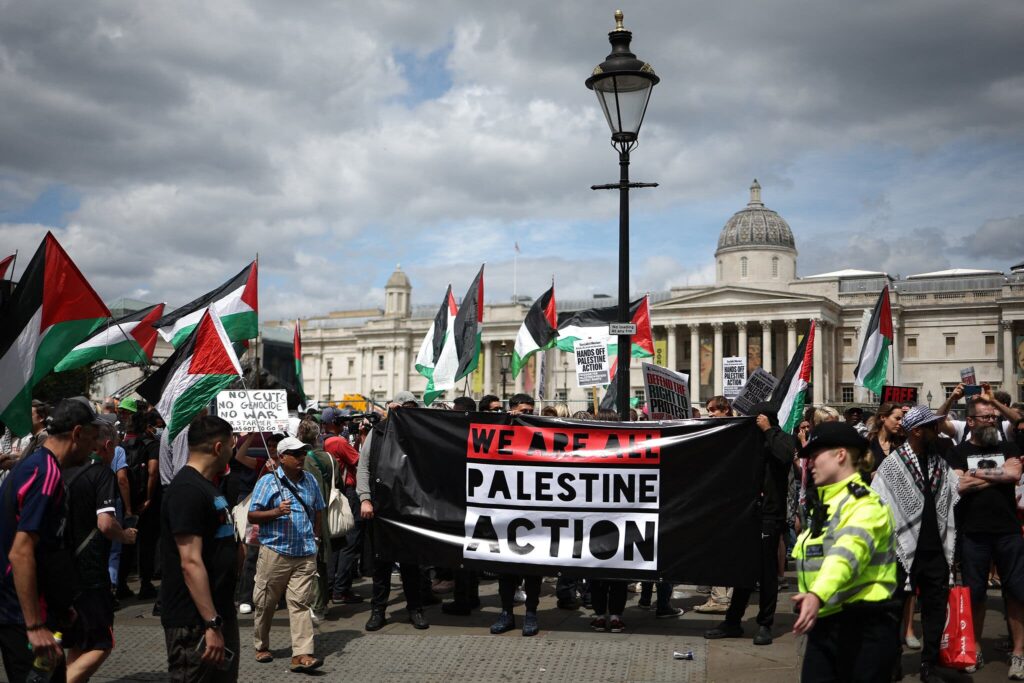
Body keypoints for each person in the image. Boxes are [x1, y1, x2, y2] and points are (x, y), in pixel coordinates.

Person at [0, 398, 101, 681]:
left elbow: (48, 549)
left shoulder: (37, 467)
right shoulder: (45, 474)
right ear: (77, 433)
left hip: (34, 611)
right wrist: (34, 625)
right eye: (92, 438)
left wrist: (60, 604)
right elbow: (20, 553)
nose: (94, 447)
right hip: (22, 617)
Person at [791, 422, 900, 681]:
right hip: (826, 622)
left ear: (840, 455)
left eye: (816, 455)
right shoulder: (826, 502)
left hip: (864, 627)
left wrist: (817, 594)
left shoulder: (865, 504)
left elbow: (847, 554)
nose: (810, 463)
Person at [871, 405, 958, 682]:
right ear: (917, 430)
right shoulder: (893, 464)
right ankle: (892, 662)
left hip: (936, 551)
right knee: (894, 609)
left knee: (934, 609)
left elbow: (953, 490)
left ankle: (929, 664)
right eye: (932, 426)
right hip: (902, 551)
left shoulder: (939, 462)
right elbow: (880, 503)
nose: (937, 430)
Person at [705, 402, 795, 646]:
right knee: (742, 569)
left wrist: (769, 431)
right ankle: (733, 620)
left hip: (770, 515)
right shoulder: (749, 441)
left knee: (767, 574)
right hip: (746, 514)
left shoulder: (781, 438)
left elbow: (785, 456)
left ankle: (765, 623)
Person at [160, 415, 240, 682]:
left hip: (219, 613)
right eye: (232, 445)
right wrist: (211, 623)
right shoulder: (187, 490)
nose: (234, 450)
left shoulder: (209, 488)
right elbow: (190, 561)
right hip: (194, 622)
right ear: (218, 448)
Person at [949, 396, 1024, 677]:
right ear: (971, 421)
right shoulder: (959, 451)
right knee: (975, 594)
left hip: (1007, 531)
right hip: (973, 533)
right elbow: (958, 485)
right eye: (986, 417)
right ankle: (974, 647)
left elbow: (1014, 475)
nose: (992, 421)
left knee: (1017, 592)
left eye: (994, 417)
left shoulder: (1008, 446)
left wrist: (975, 473)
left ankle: (1019, 653)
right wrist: (997, 474)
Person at [64, 419, 138, 682]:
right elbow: (106, 523)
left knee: (77, 642)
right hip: (91, 575)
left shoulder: (65, 469)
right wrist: (125, 535)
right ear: (107, 445)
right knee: (101, 644)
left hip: (61, 572)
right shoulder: (101, 473)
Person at [248, 436, 325, 671]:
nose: (301, 457)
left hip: (304, 553)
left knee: (300, 603)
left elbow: (318, 510)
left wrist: (317, 537)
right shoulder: (267, 482)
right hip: (275, 552)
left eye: (303, 452)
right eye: (295, 453)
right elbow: (252, 516)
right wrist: (275, 511)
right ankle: (261, 645)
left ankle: (301, 655)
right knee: (265, 603)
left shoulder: (310, 480)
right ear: (282, 457)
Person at [357, 391, 429, 631]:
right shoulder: (377, 433)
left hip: (408, 508)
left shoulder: (418, 433)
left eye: (410, 408)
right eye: (401, 408)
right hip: (380, 507)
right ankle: (378, 610)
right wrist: (365, 499)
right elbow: (364, 467)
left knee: (411, 565)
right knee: (381, 564)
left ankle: (415, 609)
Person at [490, 393, 543, 637]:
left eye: (531, 411)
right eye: (523, 410)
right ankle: (506, 613)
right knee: (506, 570)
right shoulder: (503, 426)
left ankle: (531, 613)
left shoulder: (540, 431)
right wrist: (507, 421)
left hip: (535, 511)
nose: (528, 415)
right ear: (512, 409)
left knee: (533, 569)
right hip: (506, 511)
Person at [694, 396, 735, 615]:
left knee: (719, 549)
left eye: (713, 410)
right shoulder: (727, 430)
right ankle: (724, 595)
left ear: (725, 410)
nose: (709, 413)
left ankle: (720, 597)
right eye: (708, 410)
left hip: (722, 500)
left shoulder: (728, 432)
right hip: (723, 499)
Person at [295, 420, 336, 623]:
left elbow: (309, 491)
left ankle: (317, 605)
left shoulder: (305, 460)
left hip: (313, 515)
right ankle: (324, 603)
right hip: (329, 512)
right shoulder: (329, 457)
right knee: (323, 560)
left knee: (315, 562)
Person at [324, 432, 364, 605]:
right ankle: (340, 590)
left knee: (335, 542)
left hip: (331, 493)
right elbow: (361, 461)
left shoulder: (323, 443)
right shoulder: (339, 442)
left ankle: (331, 586)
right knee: (350, 541)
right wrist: (363, 439)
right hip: (347, 493)